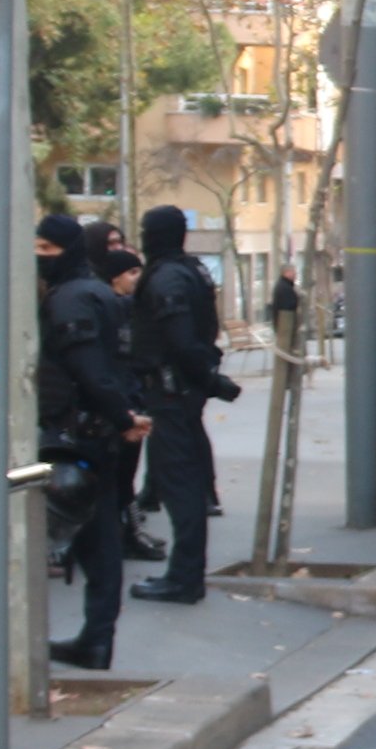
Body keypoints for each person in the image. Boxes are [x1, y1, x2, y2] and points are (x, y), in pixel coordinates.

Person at [34, 215, 147, 671]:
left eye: (46, 248)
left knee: (81, 537)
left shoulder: (74, 299)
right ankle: (95, 638)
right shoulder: (98, 293)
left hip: (78, 437)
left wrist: (121, 416)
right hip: (100, 432)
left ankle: (86, 639)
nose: (39, 258)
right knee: (97, 540)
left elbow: (89, 370)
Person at [127, 204, 235, 605]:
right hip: (180, 390)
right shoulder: (191, 270)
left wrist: (205, 378)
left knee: (180, 488)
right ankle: (184, 573)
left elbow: (180, 339)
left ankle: (184, 577)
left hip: (171, 392)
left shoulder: (168, 277)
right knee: (182, 484)